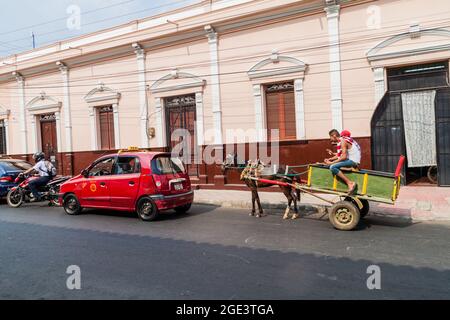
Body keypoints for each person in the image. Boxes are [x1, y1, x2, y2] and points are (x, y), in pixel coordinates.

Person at [324, 129, 361, 194]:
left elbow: (343, 157)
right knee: (333, 164)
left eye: (330, 137)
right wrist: (330, 159)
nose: (330, 139)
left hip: (353, 161)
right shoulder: (344, 140)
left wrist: (331, 163)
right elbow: (340, 156)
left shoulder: (343, 141)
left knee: (332, 167)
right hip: (353, 160)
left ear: (334, 136)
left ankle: (350, 183)